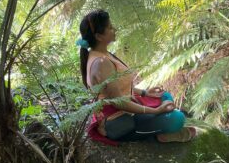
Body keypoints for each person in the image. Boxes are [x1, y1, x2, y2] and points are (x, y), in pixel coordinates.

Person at [77, 9, 196, 145]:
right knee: (177, 118)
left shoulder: (103, 54)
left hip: (127, 108)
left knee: (165, 96)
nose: (114, 29)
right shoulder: (101, 63)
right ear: (99, 36)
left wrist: (145, 92)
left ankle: (160, 128)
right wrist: (155, 110)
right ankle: (162, 131)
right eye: (110, 27)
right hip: (119, 123)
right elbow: (118, 102)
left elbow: (120, 87)